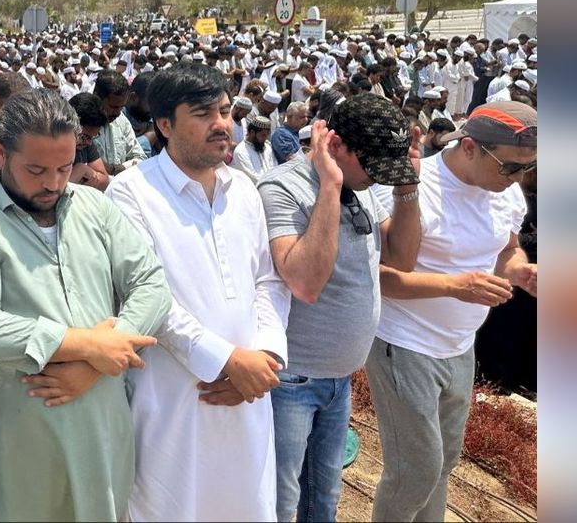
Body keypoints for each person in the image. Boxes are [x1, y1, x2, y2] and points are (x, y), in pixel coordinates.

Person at [0, 88, 170, 521]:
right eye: (36, 169)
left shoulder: (93, 206)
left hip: (103, 427)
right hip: (19, 440)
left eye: (64, 167)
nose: (52, 182)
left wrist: (103, 355)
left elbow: (151, 283)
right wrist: (86, 345)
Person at [105, 63, 290, 521]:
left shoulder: (243, 190)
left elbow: (268, 280)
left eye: (225, 111)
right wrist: (226, 360)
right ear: (165, 124)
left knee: (247, 504)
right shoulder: (132, 193)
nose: (222, 124)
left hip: (248, 395)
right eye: (204, 113)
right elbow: (147, 298)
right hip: (172, 399)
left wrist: (265, 355)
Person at [367, 101, 537, 522]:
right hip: (404, 342)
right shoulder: (412, 185)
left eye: (528, 169)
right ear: (469, 148)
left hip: (460, 346)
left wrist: (522, 272)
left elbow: (507, 250)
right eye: (510, 167)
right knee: (416, 470)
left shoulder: (506, 194)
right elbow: (381, 278)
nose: (519, 179)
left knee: (442, 464)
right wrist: (457, 286)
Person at [257, 93, 423, 522]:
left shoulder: (362, 184)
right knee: (280, 498)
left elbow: (401, 259)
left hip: (339, 379)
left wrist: (407, 188)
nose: (378, 179)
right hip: (291, 379)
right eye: (374, 168)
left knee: (325, 497)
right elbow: (305, 283)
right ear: (337, 146)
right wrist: (329, 185)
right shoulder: (284, 188)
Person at [91, 70, 146, 176]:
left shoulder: (121, 121)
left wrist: (117, 169)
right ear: (97, 97)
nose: (117, 113)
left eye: (121, 107)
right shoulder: (81, 123)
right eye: (113, 107)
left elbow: (140, 157)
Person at [231, 115, 279, 183]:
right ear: (252, 132)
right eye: (263, 135)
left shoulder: (267, 147)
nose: (265, 138)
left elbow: (275, 168)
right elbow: (251, 177)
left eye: (267, 135)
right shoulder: (241, 151)